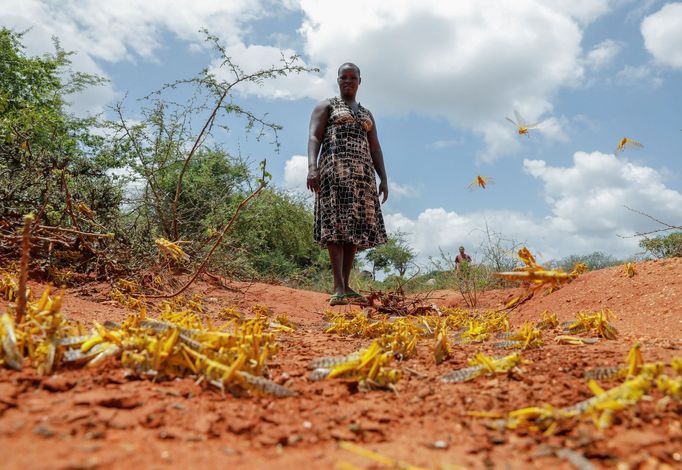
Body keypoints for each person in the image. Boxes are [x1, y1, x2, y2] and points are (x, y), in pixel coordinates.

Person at [306, 62, 388, 306]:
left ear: (360, 81)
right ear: (338, 80)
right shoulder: (327, 106)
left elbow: (375, 147)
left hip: (362, 177)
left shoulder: (367, 114)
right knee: (335, 225)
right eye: (344, 77)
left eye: (353, 77)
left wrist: (384, 177)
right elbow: (313, 137)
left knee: (353, 229)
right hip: (334, 172)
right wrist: (312, 168)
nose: (348, 81)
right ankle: (338, 287)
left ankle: (346, 285)